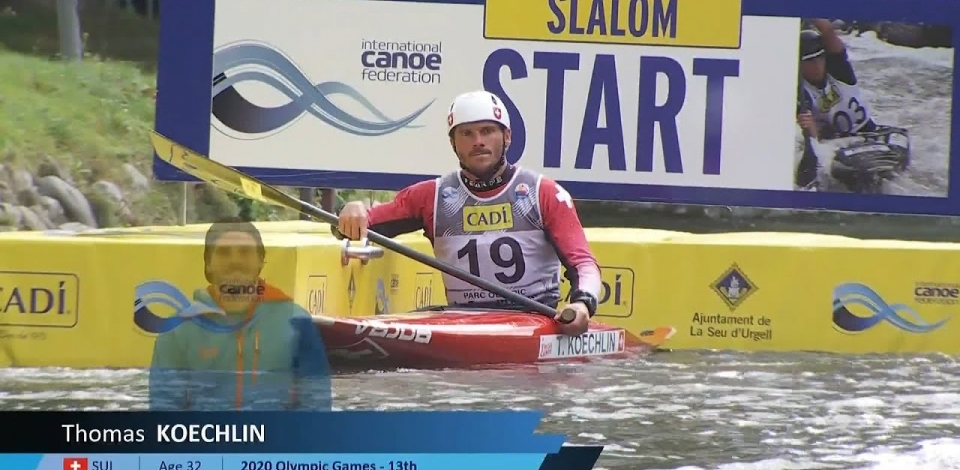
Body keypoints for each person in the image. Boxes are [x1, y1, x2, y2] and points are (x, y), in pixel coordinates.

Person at [336, 90, 601, 337]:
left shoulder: (543, 193)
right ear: (453, 143)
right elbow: (358, 224)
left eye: (487, 131)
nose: (478, 142)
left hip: (532, 322)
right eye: (467, 134)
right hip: (464, 324)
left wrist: (582, 304)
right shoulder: (431, 197)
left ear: (507, 136)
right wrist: (353, 211)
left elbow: (583, 263)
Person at [148, 218, 331, 411]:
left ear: (260, 260)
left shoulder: (296, 322)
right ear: (208, 263)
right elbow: (164, 407)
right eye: (224, 252)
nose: (235, 261)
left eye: (245, 252)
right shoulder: (178, 329)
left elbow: (316, 405)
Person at [794, 19, 908, 192]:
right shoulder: (799, 91)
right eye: (810, 61)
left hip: (867, 132)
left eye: (820, 57)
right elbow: (813, 138)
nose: (817, 64)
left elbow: (828, 31)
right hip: (834, 144)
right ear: (799, 65)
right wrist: (808, 127)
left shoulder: (839, 70)